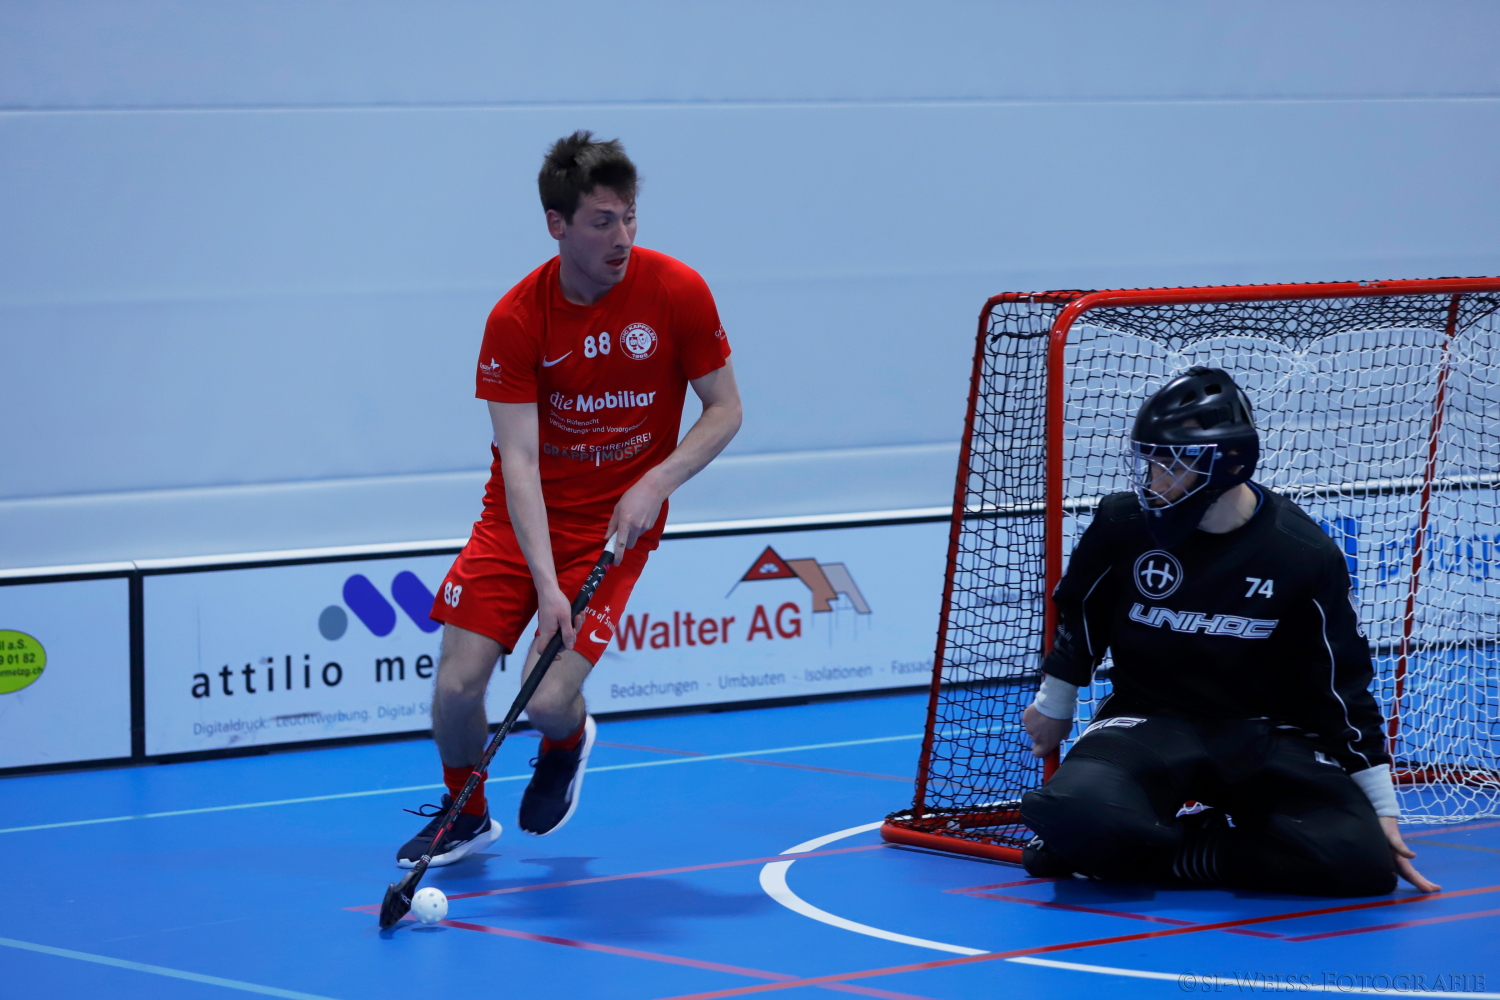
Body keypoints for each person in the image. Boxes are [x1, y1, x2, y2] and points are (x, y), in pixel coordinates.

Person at [397, 131, 742, 867]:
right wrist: (547, 585)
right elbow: (518, 463)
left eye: (630, 217)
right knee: (457, 686)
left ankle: (567, 740)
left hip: (614, 527)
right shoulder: (518, 318)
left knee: (548, 700)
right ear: (557, 224)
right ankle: (466, 815)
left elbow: (725, 409)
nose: (622, 237)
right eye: (601, 221)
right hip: (518, 520)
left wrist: (655, 481)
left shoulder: (677, 291)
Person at [1018, 366, 1437, 897]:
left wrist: (1380, 808)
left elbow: (1340, 685)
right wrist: (1055, 702)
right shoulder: (1122, 523)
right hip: (1146, 722)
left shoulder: (1300, 552)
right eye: (1150, 462)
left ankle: (1163, 853)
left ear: (1226, 464)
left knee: (1362, 862)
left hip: (1262, 735)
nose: (1152, 481)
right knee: (1071, 811)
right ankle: (1125, 842)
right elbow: (1080, 611)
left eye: (1170, 465)